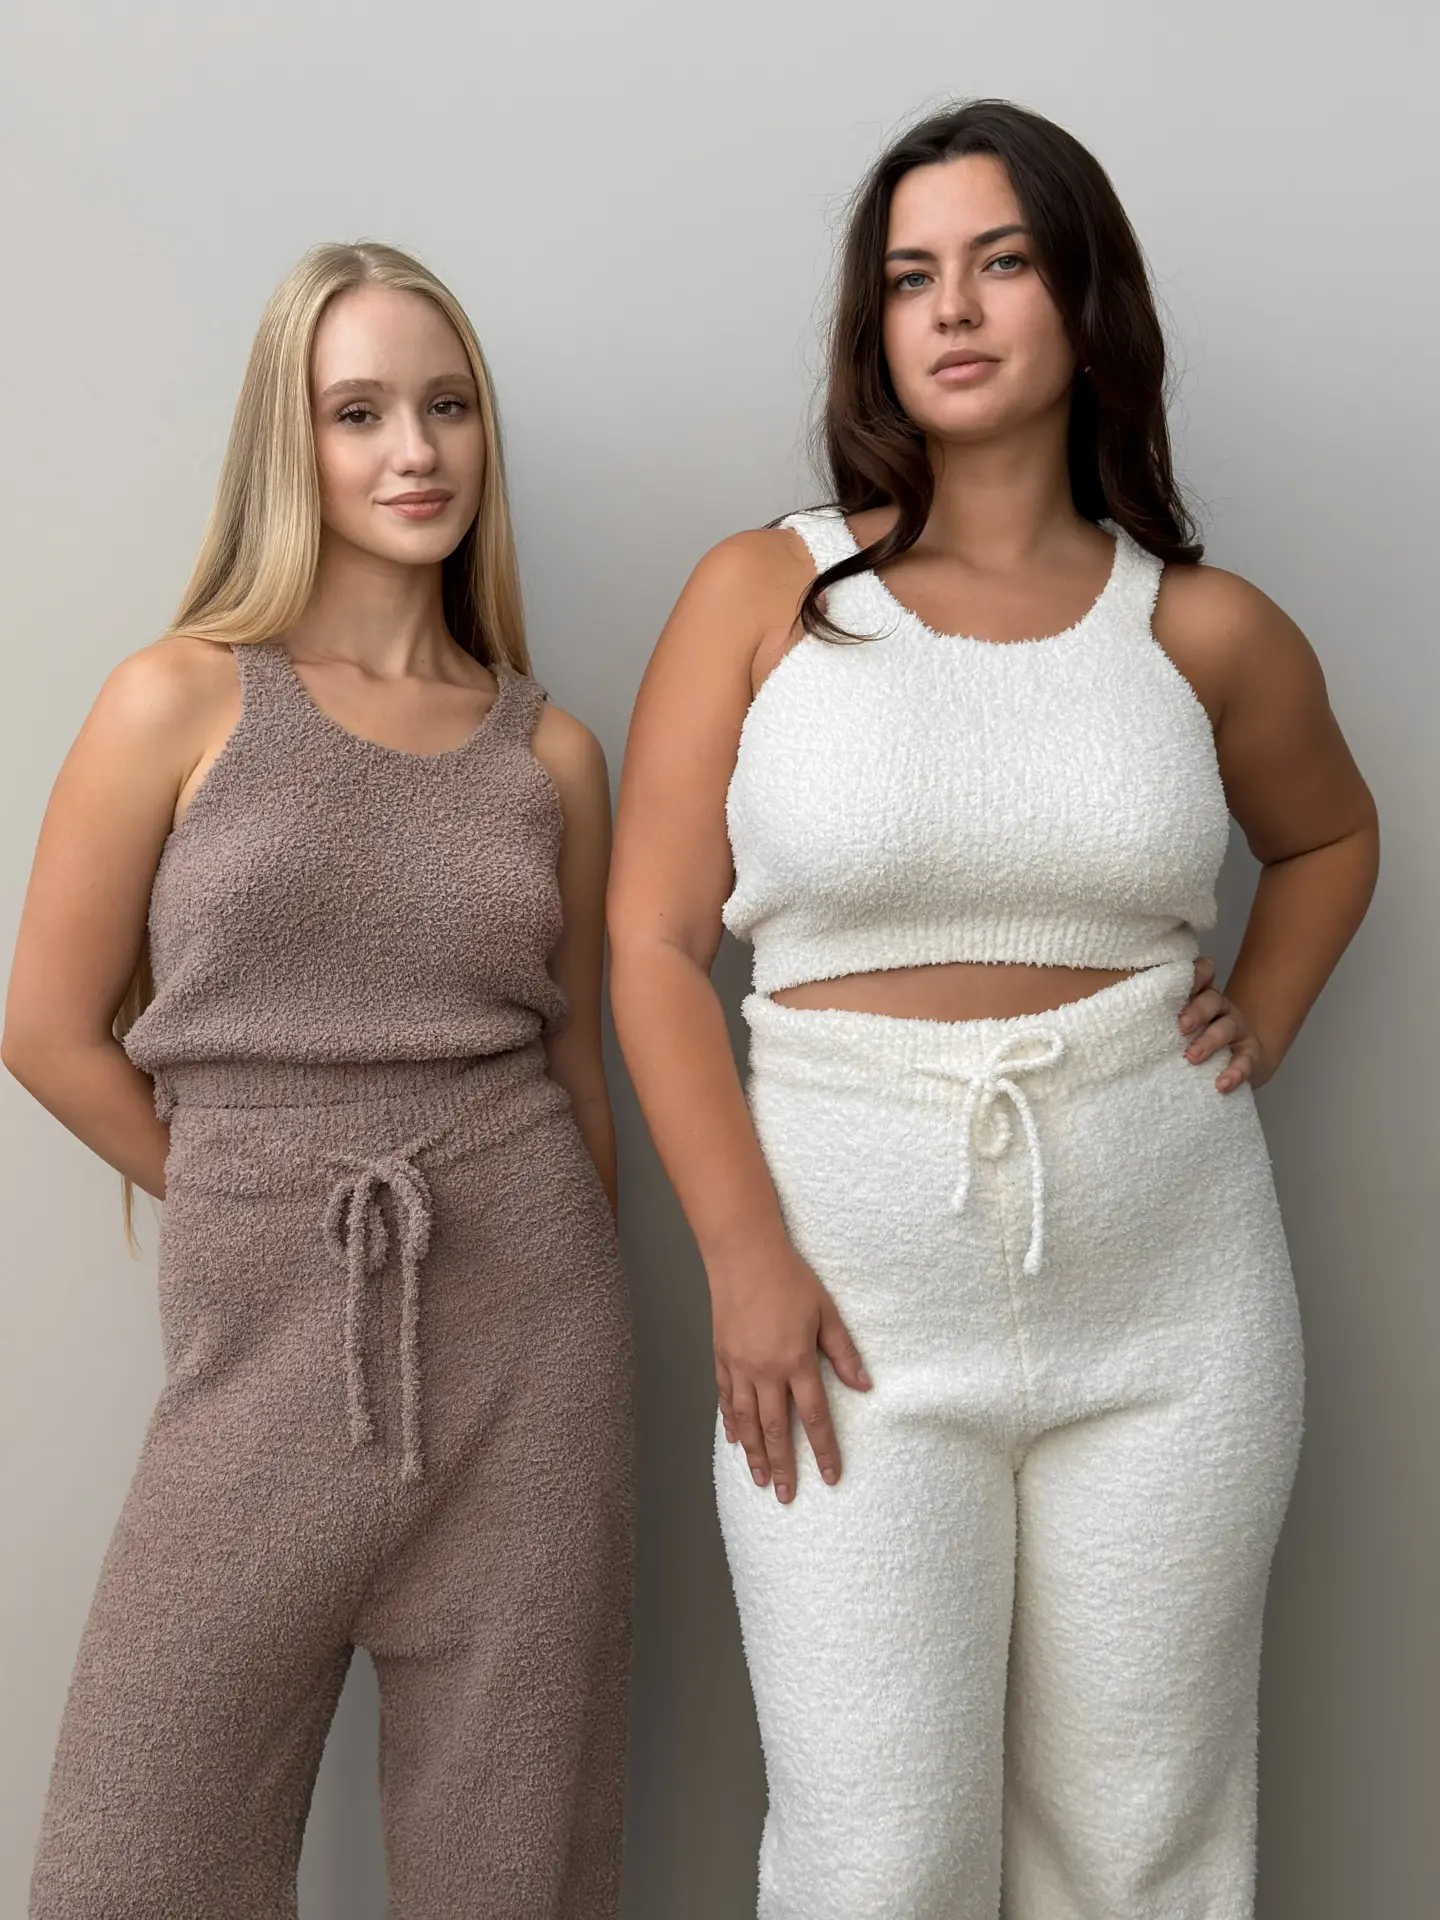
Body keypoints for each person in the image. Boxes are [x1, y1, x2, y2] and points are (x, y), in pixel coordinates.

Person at [607, 100, 1378, 1919]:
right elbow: (648, 945)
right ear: (873, 325)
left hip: (1176, 1311)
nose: (951, 310)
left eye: (1002, 262)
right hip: (844, 1316)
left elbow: (1332, 836)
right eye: (909, 277)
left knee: (1145, 1848)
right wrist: (743, 1259)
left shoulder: (1198, 628)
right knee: (877, 1859)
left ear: (1085, 299)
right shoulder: (768, 592)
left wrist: (1262, 1013)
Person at [4, 241, 633, 1920]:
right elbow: (45, 1027)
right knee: (130, 1867)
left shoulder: (550, 753)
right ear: (290, 445)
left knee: (513, 1868)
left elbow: (579, 1072)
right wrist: (254, 1191)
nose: (414, 450)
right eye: (358, 413)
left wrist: (597, 1300)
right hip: (262, 1343)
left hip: (535, 1343)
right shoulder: (176, 698)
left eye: (448, 407)